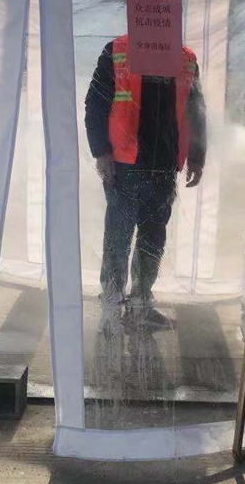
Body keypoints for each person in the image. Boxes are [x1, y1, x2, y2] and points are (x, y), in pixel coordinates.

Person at [85, 33, 206, 329]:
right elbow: (96, 104)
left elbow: (195, 110)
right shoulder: (117, 50)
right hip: (124, 165)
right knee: (118, 236)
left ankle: (140, 305)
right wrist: (101, 152)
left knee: (153, 237)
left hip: (163, 166)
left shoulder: (186, 58)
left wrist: (196, 156)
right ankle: (112, 305)